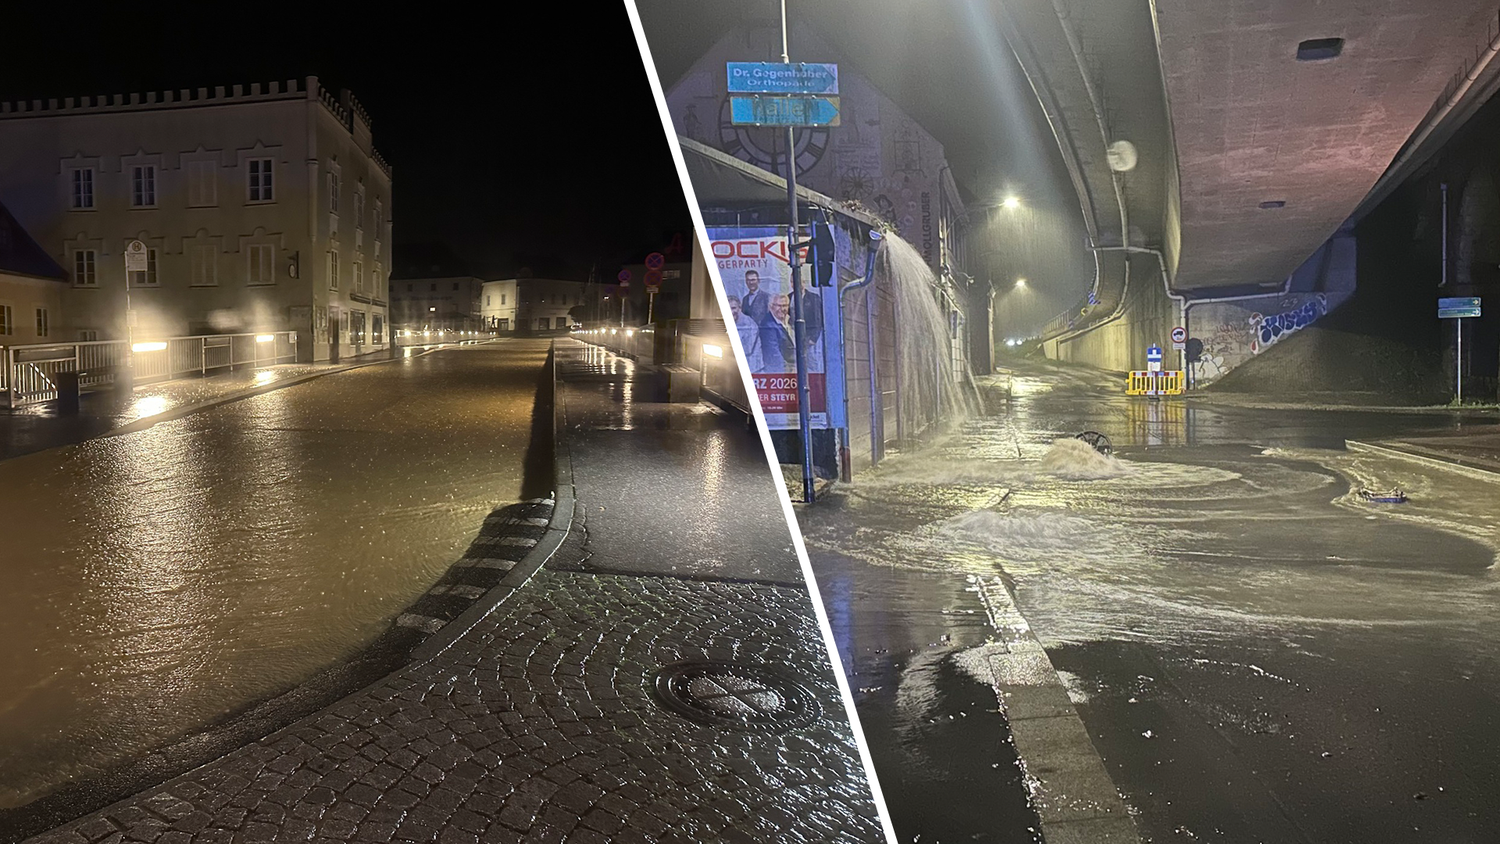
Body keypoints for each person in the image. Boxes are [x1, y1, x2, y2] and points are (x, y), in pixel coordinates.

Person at [759, 294, 797, 372]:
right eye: (779, 306)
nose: (782, 309)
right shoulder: (768, 326)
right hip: (782, 372)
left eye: (785, 305)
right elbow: (773, 356)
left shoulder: (789, 319)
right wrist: (789, 371)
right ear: (771, 307)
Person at [726, 295, 763, 371]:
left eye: (733, 308)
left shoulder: (749, 324)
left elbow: (747, 349)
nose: (731, 311)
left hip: (753, 370)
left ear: (740, 308)